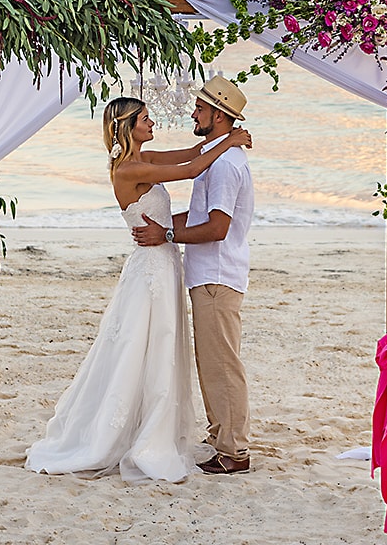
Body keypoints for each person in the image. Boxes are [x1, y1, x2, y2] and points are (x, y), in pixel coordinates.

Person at [25, 96, 251, 482]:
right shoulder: (129, 169)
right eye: (146, 119)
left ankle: (166, 428)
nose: (154, 123)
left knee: (162, 345)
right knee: (142, 344)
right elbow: (193, 167)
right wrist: (229, 142)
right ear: (128, 127)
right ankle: (134, 432)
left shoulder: (146, 158)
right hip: (152, 265)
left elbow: (195, 151)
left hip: (166, 264)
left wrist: (225, 136)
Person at [133, 76, 254, 475]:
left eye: (200, 109)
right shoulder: (219, 158)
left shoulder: (224, 167)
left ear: (218, 116)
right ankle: (222, 435)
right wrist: (164, 225)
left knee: (221, 363)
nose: (193, 113)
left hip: (217, 275)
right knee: (212, 360)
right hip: (209, 273)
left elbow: (217, 227)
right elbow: (199, 215)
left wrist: (167, 233)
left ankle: (234, 450)